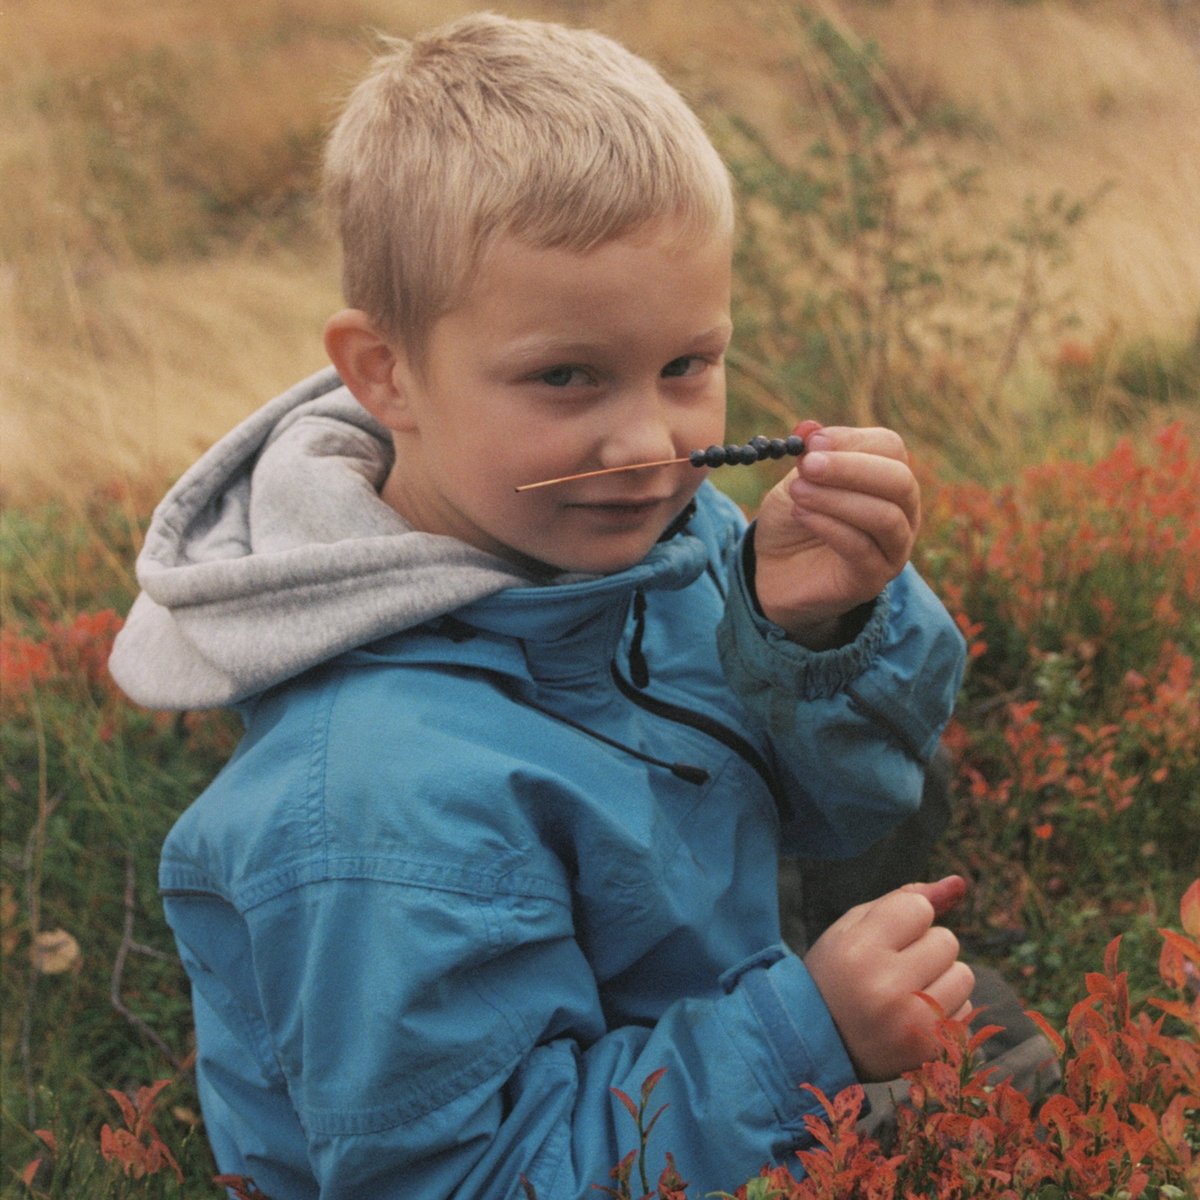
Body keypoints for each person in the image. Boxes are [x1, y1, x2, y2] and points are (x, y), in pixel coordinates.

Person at [109, 14, 974, 1198]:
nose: (647, 443)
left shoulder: (654, 539)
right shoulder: (366, 804)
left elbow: (850, 814)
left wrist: (809, 636)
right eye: (566, 376)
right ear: (385, 373)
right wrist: (806, 1036)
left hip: (729, 1079)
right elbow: (464, 1180)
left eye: (686, 366)